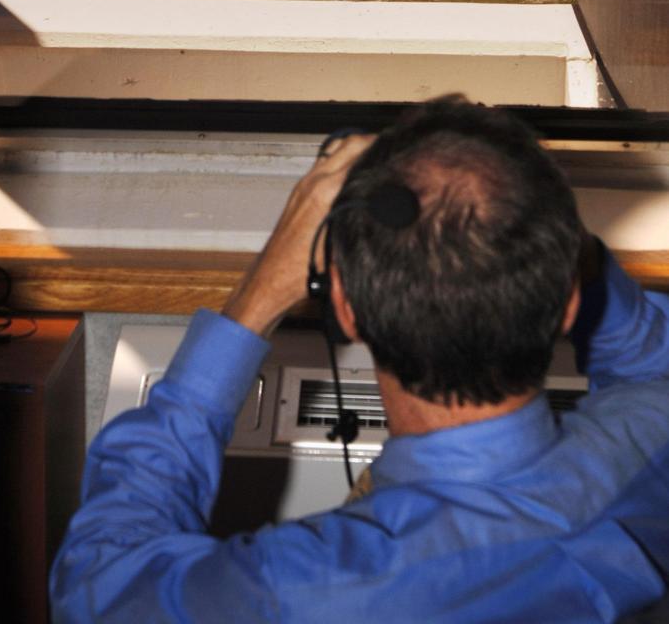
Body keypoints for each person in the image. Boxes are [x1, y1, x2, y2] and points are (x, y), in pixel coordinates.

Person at [50, 96, 669, 622]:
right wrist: (536, 228)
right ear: (568, 304)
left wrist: (256, 297)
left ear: (344, 309)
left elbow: (97, 586)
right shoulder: (644, 447)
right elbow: (653, 364)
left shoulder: (305, 587)